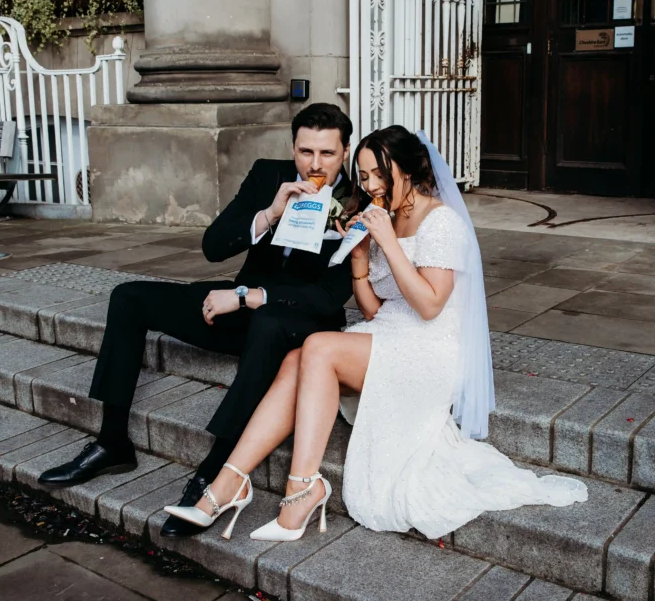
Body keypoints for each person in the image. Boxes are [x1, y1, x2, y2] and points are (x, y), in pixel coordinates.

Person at [164, 125, 588, 543]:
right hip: (387, 334)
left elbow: (428, 305)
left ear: (405, 170)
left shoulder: (441, 222)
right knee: (297, 359)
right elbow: (372, 309)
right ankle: (227, 484)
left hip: (429, 349)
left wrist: (389, 240)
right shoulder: (384, 215)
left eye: (378, 175)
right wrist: (361, 258)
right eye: (364, 176)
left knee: (317, 346)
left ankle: (301, 488)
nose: (369, 186)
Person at [38, 103, 357, 539]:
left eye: (326, 154)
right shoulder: (269, 175)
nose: (314, 164)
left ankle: (213, 477)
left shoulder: (358, 200)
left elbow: (328, 296)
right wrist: (268, 214)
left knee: (266, 327)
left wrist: (247, 297)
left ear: (345, 152)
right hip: (238, 307)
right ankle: (112, 441)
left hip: (299, 322)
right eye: (305, 152)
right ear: (293, 147)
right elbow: (212, 246)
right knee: (128, 297)